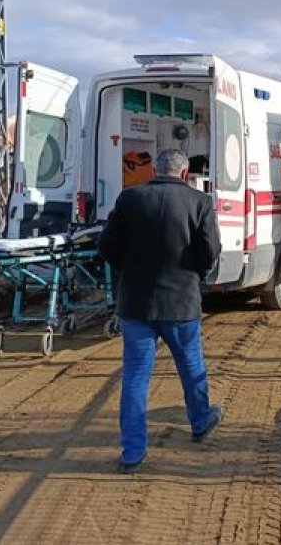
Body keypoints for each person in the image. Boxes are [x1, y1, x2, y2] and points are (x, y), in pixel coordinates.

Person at [99, 148, 223, 473]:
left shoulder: (130, 199)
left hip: (137, 303)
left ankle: (132, 453)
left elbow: (107, 247)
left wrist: (130, 269)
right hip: (181, 303)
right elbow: (210, 252)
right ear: (185, 173)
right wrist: (194, 273)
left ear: (155, 169)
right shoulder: (200, 203)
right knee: (191, 366)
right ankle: (200, 421)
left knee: (136, 377)